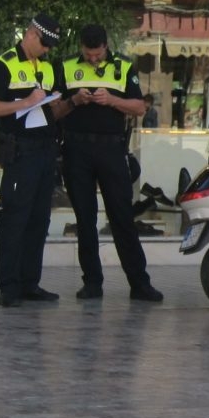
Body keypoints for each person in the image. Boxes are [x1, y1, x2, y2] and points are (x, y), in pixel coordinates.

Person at [58, 24, 163, 303]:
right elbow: (53, 111)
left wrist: (112, 100)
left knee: (122, 218)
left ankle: (139, 283)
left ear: (106, 46)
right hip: (77, 149)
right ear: (81, 47)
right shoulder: (66, 66)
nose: (93, 59)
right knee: (85, 219)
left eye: (97, 53)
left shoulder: (123, 67)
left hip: (111, 150)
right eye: (88, 54)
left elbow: (140, 107)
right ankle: (92, 282)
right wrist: (74, 101)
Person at [0, 14, 71, 308]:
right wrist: (25, 103)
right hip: (21, 151)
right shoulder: (4, 64)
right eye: (44, 43)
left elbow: (50, 111)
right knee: (15, 217)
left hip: (46, 149)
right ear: (31, 34)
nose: (46, 50)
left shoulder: (47, 66)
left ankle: (30, 282)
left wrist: (66, 103)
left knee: (39, 219)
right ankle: (9, 285)